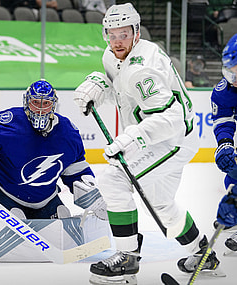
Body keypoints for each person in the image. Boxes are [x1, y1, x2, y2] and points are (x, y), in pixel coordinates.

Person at [73, 3, 220, 284]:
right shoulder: (112, 56)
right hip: (162, 135)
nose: (117, 41)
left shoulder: (143, 70)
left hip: (171, 139)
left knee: (114, 179)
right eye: (111, 34)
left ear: (136, 33)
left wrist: (132, 138)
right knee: (162, 204)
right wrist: (98, 83)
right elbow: (117, 80)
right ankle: (203, 254)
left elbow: (172, 117)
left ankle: (127, 259)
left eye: (124, 34)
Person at [0, 79, 107, 221]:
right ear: (26, 102)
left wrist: (92, 197)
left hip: (45, 200)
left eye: (45, 103)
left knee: (63, 216)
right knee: (16, 217)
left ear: (53, 105)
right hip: (7, 196)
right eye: (35, 103)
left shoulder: (67, 132)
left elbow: (76, 171)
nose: (40, 110)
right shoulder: (9, 122)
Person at [211, 33, 237, 252]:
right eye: (230, 71)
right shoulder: (226, 90)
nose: (233, 78)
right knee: (234, 171)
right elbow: (223, 119)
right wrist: (225, 143)